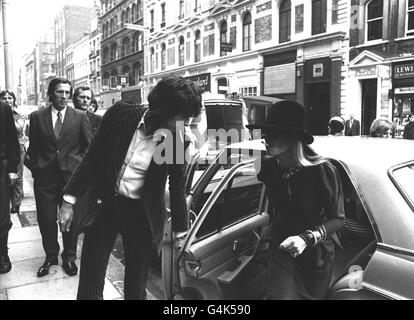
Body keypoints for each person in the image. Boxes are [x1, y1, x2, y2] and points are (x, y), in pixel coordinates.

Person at [59, 76, 203, 300]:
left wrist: (181, 233)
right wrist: (69, 201)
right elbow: (92, 157)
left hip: (141, 213)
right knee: (90, 280)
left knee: (136, 287)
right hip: (104, 204)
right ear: (165, 110)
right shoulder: (120, 115)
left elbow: (177, 187)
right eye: (183, 116)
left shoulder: (175, 140)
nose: (187, 122)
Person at [246, 100, 345, 300]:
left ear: (292, 138)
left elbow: (339, 219)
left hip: (316, 253)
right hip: (281, 246)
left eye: (273, 133)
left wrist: (306, 239)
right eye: (265, 132)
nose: (265, 138)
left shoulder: (323, 171)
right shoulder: (268, 167)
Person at [26, 78, 92, 277]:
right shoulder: (37, 117)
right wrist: (36, 168)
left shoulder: (80, 116)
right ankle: (51, 257)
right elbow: (33, 148)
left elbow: (89, 149)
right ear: (51, 94)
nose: (64, 96)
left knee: (70, 221)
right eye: (59, 92)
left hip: (71, 180)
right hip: (45, 180)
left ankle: (69, 259)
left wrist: (78, 169)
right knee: (46, 220)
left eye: (67, 92)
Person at [0, 101, 20, 274]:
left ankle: (2, 254)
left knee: (2, 217)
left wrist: (13, 168)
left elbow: (12, 140)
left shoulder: (3, 107)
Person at [0, 90, 27, 214]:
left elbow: (19, 128)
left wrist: (8, 115)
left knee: (18, 175)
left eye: (10, 98)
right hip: (5, 148)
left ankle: (16, 203)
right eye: (4, 98)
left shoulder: (19, 113)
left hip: (18, 148)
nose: (7, 100)